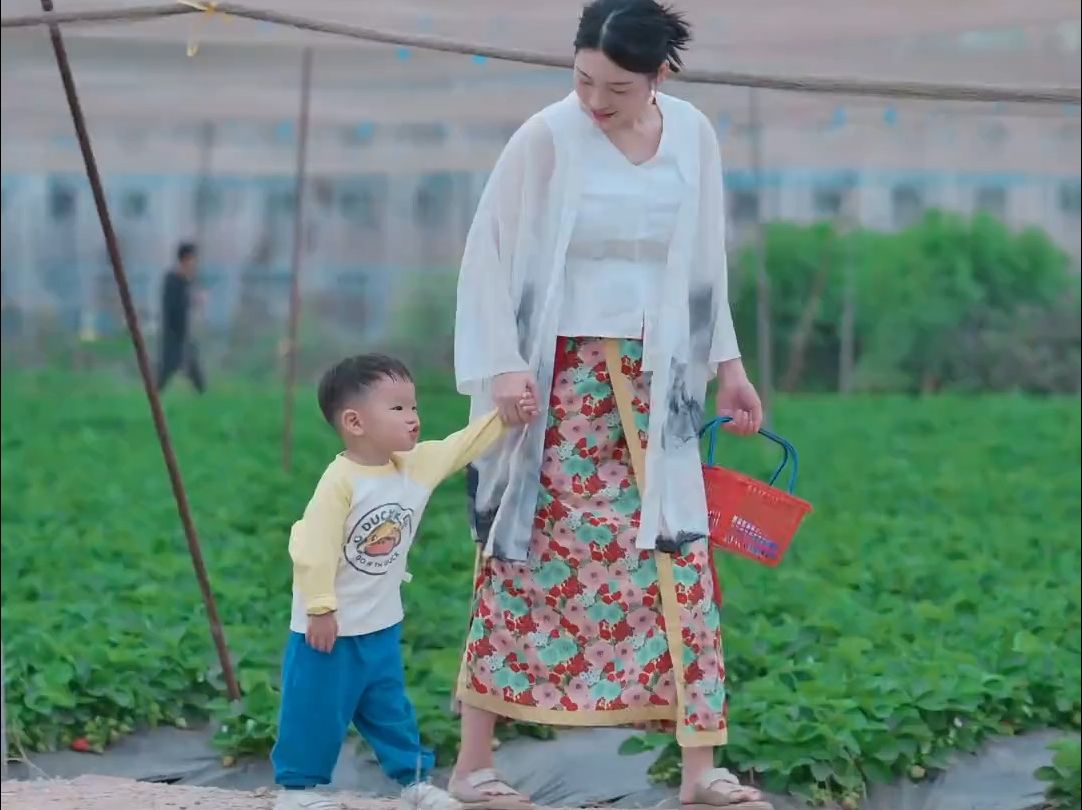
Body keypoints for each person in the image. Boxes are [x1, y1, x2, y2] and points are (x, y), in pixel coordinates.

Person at [450, 1, 769, 808]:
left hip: (659, 380)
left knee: (678, 559)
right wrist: (500, 368)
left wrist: (729, 367)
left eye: (617, 88)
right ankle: (473, 767)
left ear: (659, 76)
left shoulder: (693, 135)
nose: (595, 101)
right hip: (556, 385)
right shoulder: (546, 137)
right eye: (584, 79)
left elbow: (704, 263)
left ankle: (701, 771)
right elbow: (487, 254)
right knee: (519, 558)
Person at [271, 354, 537, 810]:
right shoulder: (340, 482)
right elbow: (311, 547)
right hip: (327, 628)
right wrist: (319, 607)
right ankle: (297, 789)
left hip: (379, 623)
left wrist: (505, 417)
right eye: (397, 409)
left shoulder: (415, 466)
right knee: (313, 708)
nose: (413, 418)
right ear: (355, 422)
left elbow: (461, 445)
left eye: (413, 407)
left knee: (391, 709)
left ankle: (414, 781)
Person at [157, 242, 206, 393]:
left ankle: (203, 396)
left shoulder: (187, 280)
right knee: (167, 368)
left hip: (185, 334)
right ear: (185, 259)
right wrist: (191, 299)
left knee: (193, 367)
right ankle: (155, 396)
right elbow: (173, 307)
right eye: (192, 259)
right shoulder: (172, 280)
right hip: (173, 333)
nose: (194, 263)